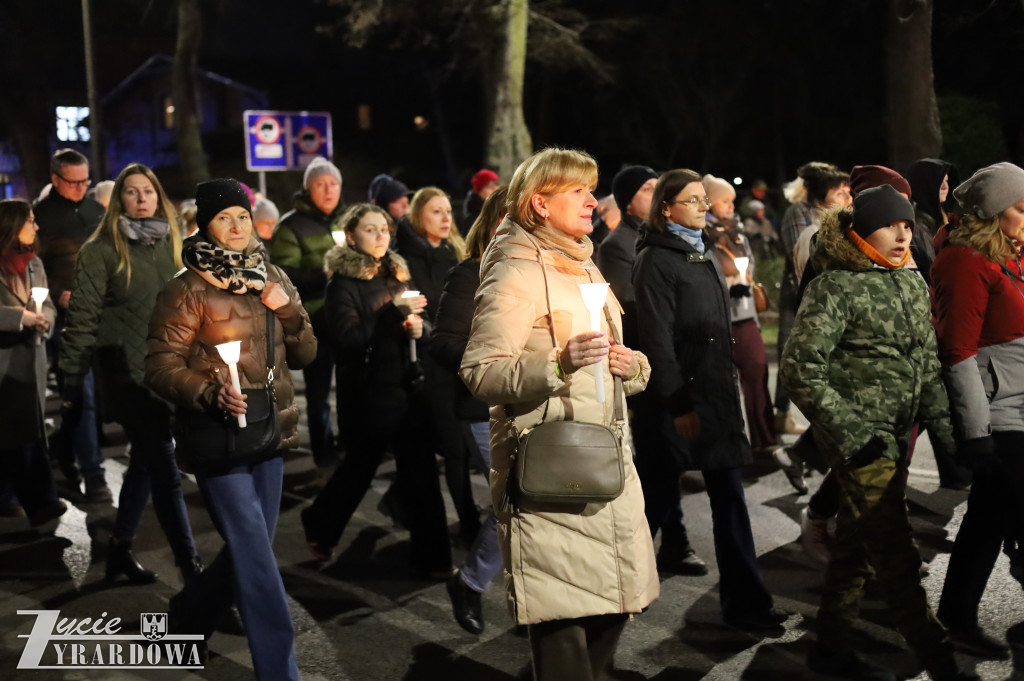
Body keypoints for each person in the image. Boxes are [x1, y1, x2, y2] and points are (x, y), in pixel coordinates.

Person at [460, 147, 658, 681]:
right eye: (579, 191)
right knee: (563, 626)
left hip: (606, 462)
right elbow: (481, 372)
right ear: (540, 204)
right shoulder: (514, 270)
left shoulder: (582, 260)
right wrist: (557, 361)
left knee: (620, 603)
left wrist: (631, 365)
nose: (593, 201)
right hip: (551, 471)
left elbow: (615, 361)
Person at [781, 185, 975, 681]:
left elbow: (927, 369)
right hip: (863, 444)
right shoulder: (835, 285)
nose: (902, 234)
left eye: (908, 225)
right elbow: (801, 369)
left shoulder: (910, 281)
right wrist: (850, 435)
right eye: (890, 225)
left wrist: (954, 443)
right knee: (897, 558)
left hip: (897, 435)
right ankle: (941, 661)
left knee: (855, 551)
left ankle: (830, 649)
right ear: (862, 231)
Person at [146, 178, 316, 681]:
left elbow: (306, 353)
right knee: (259, 564)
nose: (237, 225)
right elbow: (159, 366)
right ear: (206, 225)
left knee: (250, 551)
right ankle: (280, 673)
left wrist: (285, 308)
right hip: (219, 439)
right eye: (225, 217)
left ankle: (187, 617)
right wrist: (207, 391)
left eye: (242, 215)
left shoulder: (272, 275)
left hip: (269, 433)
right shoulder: (186, 288)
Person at [631, 168, 787, 630]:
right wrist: (678, 403)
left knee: (730, 499)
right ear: (666, 208)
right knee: (650, 510)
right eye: (693, 200)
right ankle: (607, 594)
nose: (704, 207)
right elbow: (657, 340)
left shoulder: (701, 251)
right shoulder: (656, 259)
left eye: (704, 199)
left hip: (715, 398)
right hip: (679, 403)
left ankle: (746, 605)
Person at [60, 163, 200, 584]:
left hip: (168, 369)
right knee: (165, 466)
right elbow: (82, 317)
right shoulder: (100, 249)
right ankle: (191, 570)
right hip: (125, 373)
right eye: (133, 192)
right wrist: (72, 377)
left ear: (159, 197)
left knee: (144, 461)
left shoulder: (173, 244)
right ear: (119, 199)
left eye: (149, 192)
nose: (141, 200)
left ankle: (120, 547)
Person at [300, 203, 452, 578]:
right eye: (370, 230)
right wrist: (392, 315)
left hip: (406, 387)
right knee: (359, 469)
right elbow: (349, 340)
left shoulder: (396, 271)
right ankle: (320, 523)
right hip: (368, 394)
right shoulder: (341, 284)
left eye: (384, 229)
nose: (381, 236)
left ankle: (433, 559)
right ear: (351, 237)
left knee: (421, 472)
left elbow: (420, 321)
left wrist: (421, 329)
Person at [933, 162, 1024, 661]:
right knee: (998, 513)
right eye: (1019, 208)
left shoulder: (1010, 253)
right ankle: (957, 619)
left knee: (989, 517)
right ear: (993, 212)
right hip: (1002, 414)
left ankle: (958, 618)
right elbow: (959, 351)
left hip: (1019, 404)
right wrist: (975, 432)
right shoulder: (965, 261)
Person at [598, 164, 707, 576]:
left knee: (667, 461)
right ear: (629, 201)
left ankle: (673, 542)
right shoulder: (618, 245)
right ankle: (630, 553)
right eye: (647, 188)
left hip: (670, 361)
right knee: (662, 459)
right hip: (646, 362)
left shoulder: (662, 240)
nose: (655, 192)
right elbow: (632, 306)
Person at [433, 186, 508, 634]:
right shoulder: (470, 274)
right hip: (484, 408)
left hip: (533, 401)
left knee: (529, 500)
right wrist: (496, 355)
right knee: (515, 501)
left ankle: (537, 604)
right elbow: (442, 344)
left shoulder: (542, 270)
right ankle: (471, 582)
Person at [393, 187, 479, 545]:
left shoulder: (457, 253)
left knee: (469, 443)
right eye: (436, 212)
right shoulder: (404, 260)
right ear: (418, 216)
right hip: (434, 363)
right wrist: (420, 325)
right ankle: (469, 519)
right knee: (454, 446)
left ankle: (397, 499)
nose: (446, 218)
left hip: (464, 358)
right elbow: (410, 305)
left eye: (448, 211)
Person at [34, 148, 109, 501]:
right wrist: (56, 293)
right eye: (74, 182)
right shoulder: (39, 219)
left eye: (86, 181)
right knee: (83, 396)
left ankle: (64, 448)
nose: (81, 188)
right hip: (66, 322)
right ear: (56, 179)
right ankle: (93, 474)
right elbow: (31, 270)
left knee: (89, 399)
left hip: (104, 317)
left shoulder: (97, 213)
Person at [268, 157, 344, 467]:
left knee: (352, 388)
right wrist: (323, 275)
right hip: (316, 321)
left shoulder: (346, 220)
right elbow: (283, 274)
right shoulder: (290, 226)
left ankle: (348, 442)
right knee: (318, 393)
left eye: (333, 184)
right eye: (320, 184)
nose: (328, 190)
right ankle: (324, 450)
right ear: (307, 188)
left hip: (346, 318)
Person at [705, 173, 780, 461]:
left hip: (746, 314)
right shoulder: (704, 235)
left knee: (757, 373)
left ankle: (764, 439)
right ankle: (730, 446)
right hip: (720, 317)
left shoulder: (737, 231)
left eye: (732, 201)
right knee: (724, 385)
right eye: (724, 200)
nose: (730, 206)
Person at [0, 199, 66, 526]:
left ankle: (38, 500)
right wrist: (19, 317)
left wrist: (45, 321)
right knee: (13, 432)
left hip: (33, 357)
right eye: (30, 221)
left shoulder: (34, 264)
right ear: (11, 225)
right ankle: (35, 500)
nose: (36, 226)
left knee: (28, 430)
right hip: (4, 360)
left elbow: (48, 303)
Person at [775, 162, 849, 437]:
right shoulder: (800, 215)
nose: (846, 198)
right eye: (839, 192)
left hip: (824, 294)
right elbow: (805, 254)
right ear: (822, 194)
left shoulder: (836, 215)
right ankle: (781, 414)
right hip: (798, 295)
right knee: (791, 354)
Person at [905, 158, 959, 285]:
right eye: (940, 181)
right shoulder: (917, 227)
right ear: (925, 184)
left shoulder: (944, 222)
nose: (946, 186)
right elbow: (933, 271)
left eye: (947, 181)